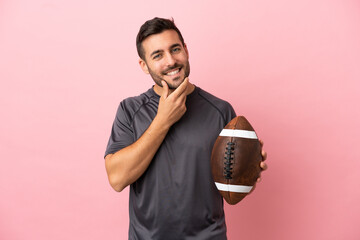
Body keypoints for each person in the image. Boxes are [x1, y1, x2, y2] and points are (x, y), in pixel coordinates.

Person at [104, 17, 268, 240]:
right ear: (144, 65)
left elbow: (230, 186)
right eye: (158, 55)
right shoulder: (129, 110)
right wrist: (163, 120)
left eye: (175, 49)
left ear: (186, 50)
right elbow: (117, 178)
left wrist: (247, 171)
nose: (171, 61)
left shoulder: (220, 110)